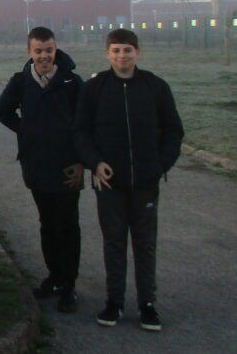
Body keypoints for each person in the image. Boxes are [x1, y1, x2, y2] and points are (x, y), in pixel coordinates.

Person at [74, 28, 184, 332]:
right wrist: (95, 163)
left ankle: (147, 304)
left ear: (138, 52)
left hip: (145, 183)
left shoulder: (156, 87)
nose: (122, 56)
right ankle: (114, 302)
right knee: (114, 242)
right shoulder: (94, 88)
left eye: (128, 50)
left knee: (145, 244)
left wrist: (160, 165)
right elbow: (80, 132)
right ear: (107, 54)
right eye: (116, 50)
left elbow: (174, 130)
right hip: (109, 184)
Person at [0, 26, 84, 313]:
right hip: (37, 167)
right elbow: (2, 111)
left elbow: (85, 125)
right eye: (38, 51)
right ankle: (53, 277)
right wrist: (26, 132)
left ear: (56, 49)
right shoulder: (21, 82)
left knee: (68, 226)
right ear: (29, 52)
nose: (44, 56)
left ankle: (69, 286)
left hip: (68, 169)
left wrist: (82, 162)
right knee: (47, 224)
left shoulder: (72, 82)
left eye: (49, 50)